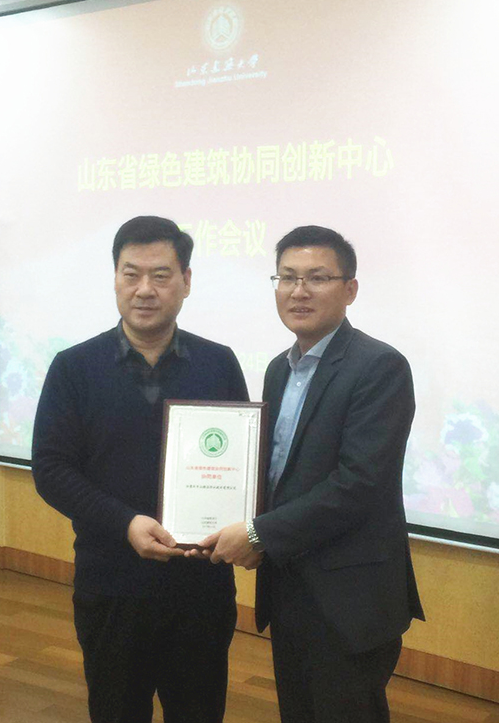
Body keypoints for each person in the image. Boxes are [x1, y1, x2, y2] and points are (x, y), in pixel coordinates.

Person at [197, 226, 424, 723]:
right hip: (289, 582)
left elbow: (358, 485)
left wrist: (256, 533)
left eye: (317, 278)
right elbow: (278, 473)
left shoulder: (379, 366)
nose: (299, 291)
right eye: (288, 277)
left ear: (350, 289)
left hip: (350, 596)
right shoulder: (279, 369)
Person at [32, 216, 249, 723]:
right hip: (112, 583)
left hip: (201, 589)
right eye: (131, 274)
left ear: (186, 281)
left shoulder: (219, 363)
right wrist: (125, 522)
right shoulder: (73, 367)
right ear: (115, 279)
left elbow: (241, 464)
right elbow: (51, 469)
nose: (145, 289)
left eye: (161, 275)